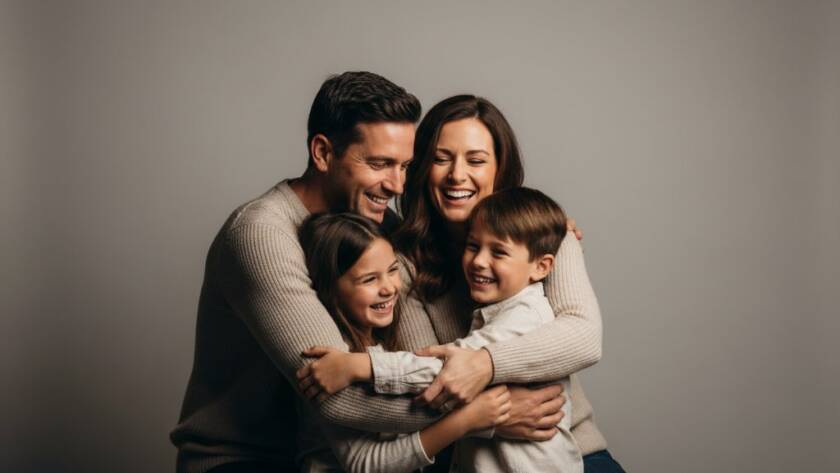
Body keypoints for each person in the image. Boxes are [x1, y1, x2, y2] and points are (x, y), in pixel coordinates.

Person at [170, 72, 569, 473]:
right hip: (246, 460)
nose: (397, 186)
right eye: (380, 164)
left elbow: (417, 359)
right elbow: (338, 398)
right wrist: (490, 412)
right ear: (323, 153)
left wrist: (545, 236)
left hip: (333, 457)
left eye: (405, 166)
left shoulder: (381, 229)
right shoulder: (262, 235)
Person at [391, 95, 627, 472]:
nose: (457, 175)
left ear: (500, 169)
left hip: (569, 451)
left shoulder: (544, 231)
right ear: (421, 168)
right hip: (469, 458)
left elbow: (583, 337)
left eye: (476, 160)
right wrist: (493, 417)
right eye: (441, 158)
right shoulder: (401, 263)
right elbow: (426, 383)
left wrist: (485, 364)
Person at [300, 188, 584, 473]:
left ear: (542, 266)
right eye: (472, 246)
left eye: (393, 270)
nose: (479, 261)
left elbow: (448, 373)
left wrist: (358, 366)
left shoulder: (524, 317)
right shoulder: (329, 352)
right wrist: (473, 418)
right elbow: (367, 458)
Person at [294, 212, 511, 472]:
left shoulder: (387, 340)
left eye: (393, 270)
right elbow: (363, 463)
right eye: (369, 279)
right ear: (332, 287)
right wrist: (466, 421)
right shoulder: (331, 360)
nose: (389, 288)